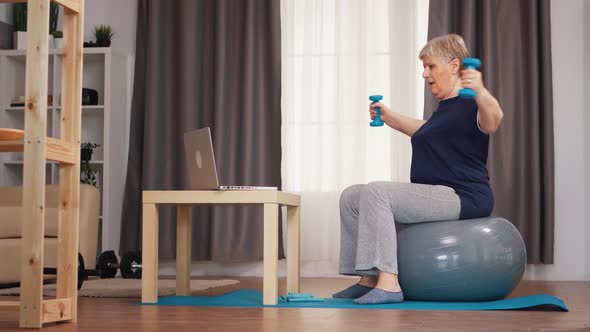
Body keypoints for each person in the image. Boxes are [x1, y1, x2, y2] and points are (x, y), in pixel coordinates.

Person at [333, 34, 504, 305]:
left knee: (378, 191)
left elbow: (494, 120)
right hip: (435, 192)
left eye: (430, 66)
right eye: (423, 67)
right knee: (352, 196)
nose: (425, 73)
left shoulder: (473, 103)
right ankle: (367, 278)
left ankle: (389, 284)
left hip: (464, 195)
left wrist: (481, 90)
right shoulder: (446, 109)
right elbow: (428, 132)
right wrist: (390, 117)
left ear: (454, 65)